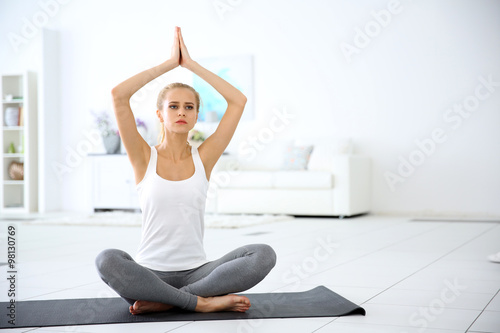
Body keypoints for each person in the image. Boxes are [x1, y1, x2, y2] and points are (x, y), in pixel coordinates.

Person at [95, 27, 276, 315]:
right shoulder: (143, 157)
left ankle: (171, 301)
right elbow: (119, 96)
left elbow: (238, 101)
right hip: (149, 278)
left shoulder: (204, 157)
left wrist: (190, 64)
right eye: (174, 106)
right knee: (106, 259)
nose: (181, 112)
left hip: (199, 275)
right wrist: (170, 64)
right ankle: (199, 303)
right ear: (160, 114)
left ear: (195, 116)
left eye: (189, 107)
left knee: (263, 255)